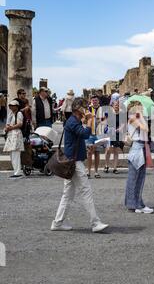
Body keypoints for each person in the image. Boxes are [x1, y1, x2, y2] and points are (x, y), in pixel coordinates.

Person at [51, 98, 109, 233]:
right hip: (74, 163)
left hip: (72, 161)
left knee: (67, 194)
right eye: (85, 107)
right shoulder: (72, 121)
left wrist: (87, 146)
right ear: (78, 109)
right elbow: (84, 134)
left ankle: (57, 223)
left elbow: (76, 140)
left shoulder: (73, 121)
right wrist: (89, 121)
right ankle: (95, 223)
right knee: (86, 191)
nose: (87, 110)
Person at [125, 101, 154, 214]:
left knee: (138, 179)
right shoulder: (133, 119)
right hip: (137, 151)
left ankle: (136, 203)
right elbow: (145, 129)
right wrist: (141, 117)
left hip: (139, 149)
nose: (142, 110)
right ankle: (136, 204)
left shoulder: (135, 119)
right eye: (140, 108)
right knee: (135, 179)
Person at [3, 100, 25, 179]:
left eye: (13, 105)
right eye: (10, 106)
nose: (11, 107)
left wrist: (11, 127)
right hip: (10, 134)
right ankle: (15, 171)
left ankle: (17, 172)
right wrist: (7, 128)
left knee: (16, 153)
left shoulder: (19, 113)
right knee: (12, 153)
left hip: (16, 134)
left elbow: (20, 124)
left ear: (16, 106)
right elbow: (7, 124)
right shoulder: (10, 114)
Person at [104, 101, 125, 174]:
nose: (117, 106)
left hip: (117, 133)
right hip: (109, 132)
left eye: (118, 105)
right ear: (112, 105)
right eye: (115, 105)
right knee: (108, 149)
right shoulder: (108, 112)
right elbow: (104, 121)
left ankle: (115, 168)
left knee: (116, 150)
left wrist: (120, 128)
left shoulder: (121, 113)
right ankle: (106, 165)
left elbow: (123, 123)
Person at [86, 96, 102, 179]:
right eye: (93, 100)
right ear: (91, 101)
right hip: (90, 134)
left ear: (98, 101)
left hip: (99, 134)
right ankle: (88, 171)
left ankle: (96, 172)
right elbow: (84, 119)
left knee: (97, 153)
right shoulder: (88, 109)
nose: (95, 101)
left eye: (96, 100)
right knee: (89, 153)